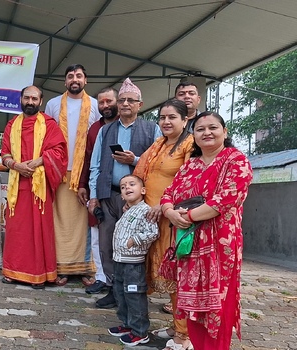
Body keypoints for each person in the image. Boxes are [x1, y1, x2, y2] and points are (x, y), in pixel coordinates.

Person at [159, 112, 252, 349]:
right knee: (192, 305)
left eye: (213, 128)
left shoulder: (236, 160)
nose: (207, 133)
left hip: (220, 245)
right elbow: (169, 193)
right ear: (194, 135)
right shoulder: (191, 164)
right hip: (189, 243)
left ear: (225, 131)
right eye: (200, 129)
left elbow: (227, 199)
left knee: (217, 305)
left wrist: (188, 216)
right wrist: (170, 213)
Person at [88, 78, 161, 309]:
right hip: (109, 195)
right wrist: (93, 195)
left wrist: (135, 160)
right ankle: (112, 288)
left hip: (138, 199)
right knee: (108, 244)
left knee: (135, 246)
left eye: (131, 100)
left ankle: (135, 290)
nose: (125, 104)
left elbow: (158, 162)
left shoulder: (152, 129)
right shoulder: (106, 130)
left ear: (140, 105)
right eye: (122, 100)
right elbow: (95, 164)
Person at [133, 99, 194, 349]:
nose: (166, 122)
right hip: (152, 220)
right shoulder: (159, 144)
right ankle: (177, 327)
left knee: (178, 276)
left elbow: (189, 180)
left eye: (172, 117)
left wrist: (166, 204)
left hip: (173, 220)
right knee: (167, 275)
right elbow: (141, 172)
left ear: (185, 120)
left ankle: (184, 336)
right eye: (162, 117)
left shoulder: (190, 144)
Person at [0, 86, 67, 289]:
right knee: (16, 230)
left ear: (40, 101)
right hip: (17, 186)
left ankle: (39, 274)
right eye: (27, 98)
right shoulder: (12, 125)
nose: (30, 102)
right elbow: (5, 154)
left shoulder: (49, 124)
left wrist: (36, 163)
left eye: (34, 98)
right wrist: (16, 165)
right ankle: (12, 271)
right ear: (21, 99)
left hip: (40, 186)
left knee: (40, 229)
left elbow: (59, 152)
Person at [44, 64, 101, 287]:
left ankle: (86, 268)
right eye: (70, 76)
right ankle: (62, 267)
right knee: (60, 219)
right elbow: (47, 135)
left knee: (85, 220)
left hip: (85, 171)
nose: (74, 79)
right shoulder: (53, 104)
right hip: (59, 171)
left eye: (78, 76)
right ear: (65, 82)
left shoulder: (96, 105)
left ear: (85, 80)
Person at [106, 175, 159, 347]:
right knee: (120, 294)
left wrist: (134, 240)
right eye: (123, 187)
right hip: (120, 261)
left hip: (133, 264)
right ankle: (127, 324)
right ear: (121, 195)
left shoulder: (145, 210)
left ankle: (140, 331)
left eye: (131, 184)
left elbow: (153, 232)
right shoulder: (127, 211)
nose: (127, 188)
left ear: (142, 191)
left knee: (134, 297)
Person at [83, 87, 119, 295]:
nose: (105, 106)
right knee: (97, 233)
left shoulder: (138, 127)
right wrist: (83, 186)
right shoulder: (95, 129)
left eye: (109, 101)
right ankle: (101, 277)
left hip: (127, 192)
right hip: (98, 189)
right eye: (101, 103)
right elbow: (89, 160)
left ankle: (120, 281)